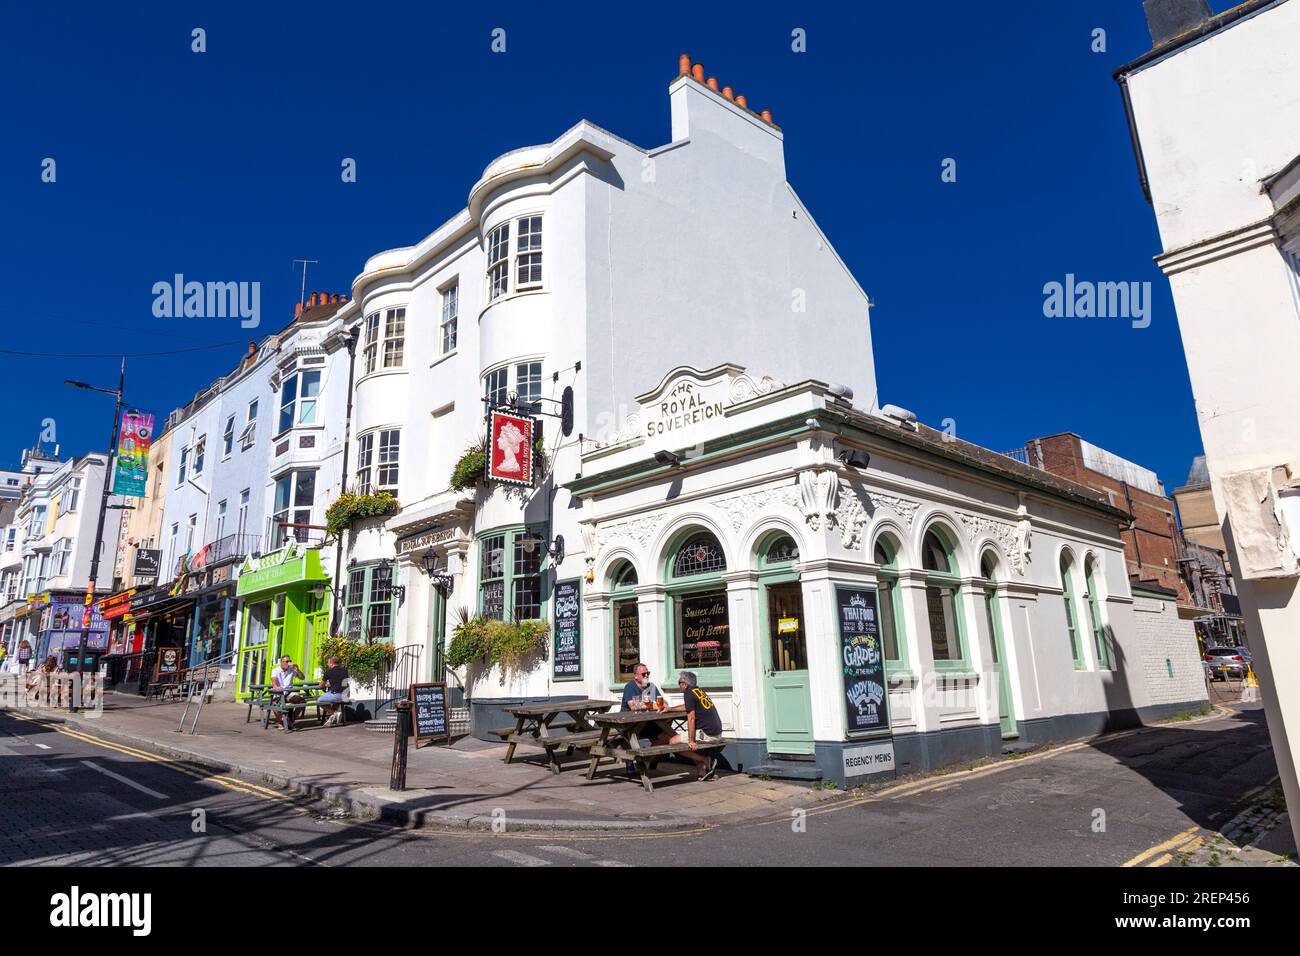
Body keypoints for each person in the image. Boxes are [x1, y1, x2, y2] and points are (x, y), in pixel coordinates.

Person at [620, 662, 671, 777]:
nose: (647, 676)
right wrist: (654, 705)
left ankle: (646, 760)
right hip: (629, 724)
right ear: (636, 676)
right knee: (632, 738)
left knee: (666, 737)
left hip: (647, 723)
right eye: (644, 674)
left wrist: (656, 705)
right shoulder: (630, 687)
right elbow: (633, 706)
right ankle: (630, 761)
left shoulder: (651, 687)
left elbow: (665, 703)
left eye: (648, 673)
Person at [672, 671, 724, 781]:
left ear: (685, 684)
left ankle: (704, 760)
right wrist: (670, 709)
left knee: (672, 743)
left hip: (708, 734)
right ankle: (702, 771)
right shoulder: (698, 691)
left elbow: (691, 718)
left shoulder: (688, 693)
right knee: (688, 740)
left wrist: (691, 740)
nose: (679, 684)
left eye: (679, 682)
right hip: (717, 733)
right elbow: (687, 707)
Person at [270, 655, 305, 732]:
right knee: (274, 704)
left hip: (289, 693)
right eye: (286, 661)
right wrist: (276, 687)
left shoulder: (291, 670)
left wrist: (297, 670)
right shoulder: (275, 670)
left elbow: (302, 678)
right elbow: (274, 681)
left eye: (289, 661)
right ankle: (280, 722)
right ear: (281, 662)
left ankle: (291, 720)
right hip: (279, 693)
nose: (288, 663)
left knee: (302, 701)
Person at [318, 656, 349, 727]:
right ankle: (332, 718)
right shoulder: (345, 670)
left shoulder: (328, 672)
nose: (327, 665)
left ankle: (335, 713)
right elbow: (342, 682)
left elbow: (321, 685)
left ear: (331, 663)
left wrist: (326, 684)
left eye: (328, 663)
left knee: (319, 701)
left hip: (336, 694)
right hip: (345, 694)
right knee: (335, 701)